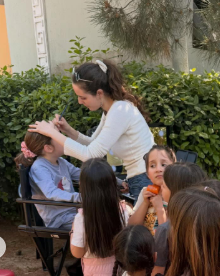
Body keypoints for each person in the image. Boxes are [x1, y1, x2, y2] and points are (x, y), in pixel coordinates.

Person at [28, 60, 154, 200]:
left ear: (99, 93)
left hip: (144, 176)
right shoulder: (112, 110)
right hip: (141, 175)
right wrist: (68, 130)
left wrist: (51, 133)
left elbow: (91, 154)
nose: (79, 101)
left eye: (83, 97)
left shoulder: (119, 111)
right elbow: (93, 143)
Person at [15, 131, 80, 230]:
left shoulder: (61, 161)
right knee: (98, 224)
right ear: (48, 148)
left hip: (75, 211)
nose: (65, 140)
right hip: (59, 219)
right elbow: (52, 193)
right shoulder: (39, 168)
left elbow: (82, 175)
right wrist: (80, 197)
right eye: (59, 138)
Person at [153, 161, 207, 276]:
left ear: (175, 192)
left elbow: (158, 270)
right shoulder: (207, 219)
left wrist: (159, 210)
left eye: (164, 186)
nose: (161, 189)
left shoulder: (166, 229)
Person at [129, 145, 176, 236]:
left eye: (163, 165)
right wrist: (145, 203)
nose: (158, 169)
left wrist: (159, 208)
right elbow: (131, 227)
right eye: (152, 166)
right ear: (147, 173)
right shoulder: (145, 192)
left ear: (174, 167)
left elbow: (169, 237)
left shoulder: (176, 195)